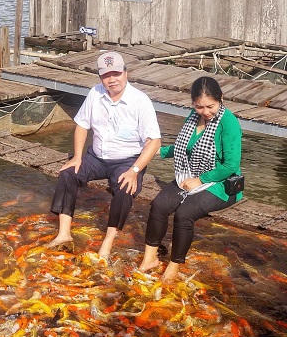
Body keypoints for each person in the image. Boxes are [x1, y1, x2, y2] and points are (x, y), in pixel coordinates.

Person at [48, 51, 161, 258]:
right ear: (101, 78)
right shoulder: (95, 93)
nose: (112, 79)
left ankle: (108, 242)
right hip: (97, 157)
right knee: (68, 173)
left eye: (116, 74)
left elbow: (154, 142)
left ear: (126, 73)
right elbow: (82, 125)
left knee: (124, 188)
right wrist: (77, 157)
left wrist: (135, 170)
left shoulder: (140, 101)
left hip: (128, 160)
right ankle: (64, 234)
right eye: (106, 75)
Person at [139, 76, 242, 282]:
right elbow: (185, 147)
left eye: (210, 106)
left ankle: (174, 265)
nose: (205, 112)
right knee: (159, 204)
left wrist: (201, 179)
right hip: (189, 175)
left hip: (221, 184)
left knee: (184, 213)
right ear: (193, 103)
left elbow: (230, 165)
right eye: (199, 107)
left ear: (221, 99)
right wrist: (159, 151)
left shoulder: (229, 122)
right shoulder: (194, 117)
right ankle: (149, 258)